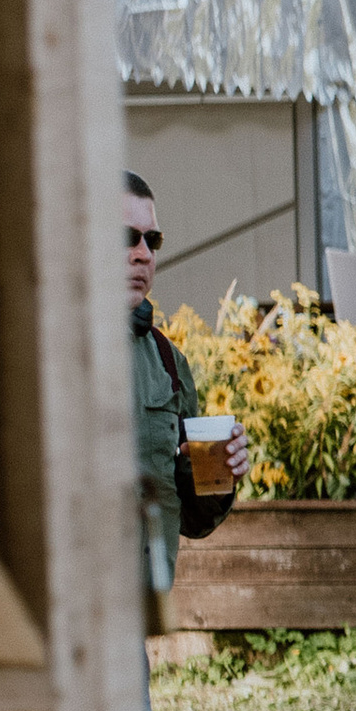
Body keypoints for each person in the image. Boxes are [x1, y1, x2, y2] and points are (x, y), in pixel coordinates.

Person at [127, 173, 245, 642]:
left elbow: (190, 515)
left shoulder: (167, 360)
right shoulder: (44, 351)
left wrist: (221, 475)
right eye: (126, 237)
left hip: (132, 626)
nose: (143, 253)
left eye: (152, 240)